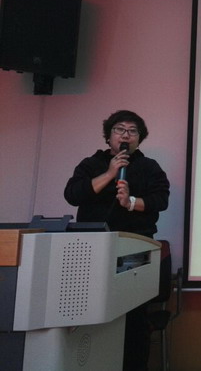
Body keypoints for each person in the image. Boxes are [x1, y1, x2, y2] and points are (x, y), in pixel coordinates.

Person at [64, 109, 170, 371]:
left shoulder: (149, 167)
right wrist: (110, 174)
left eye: (133, 131)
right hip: (92, 250)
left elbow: (161, 200)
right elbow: (73, 195)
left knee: (134, 316)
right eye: (120, 129)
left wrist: (131, 202)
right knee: (90, 312)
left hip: (135, 249)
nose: (126, 135)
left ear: (139, 139)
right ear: (109, 136)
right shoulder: (91, 164)